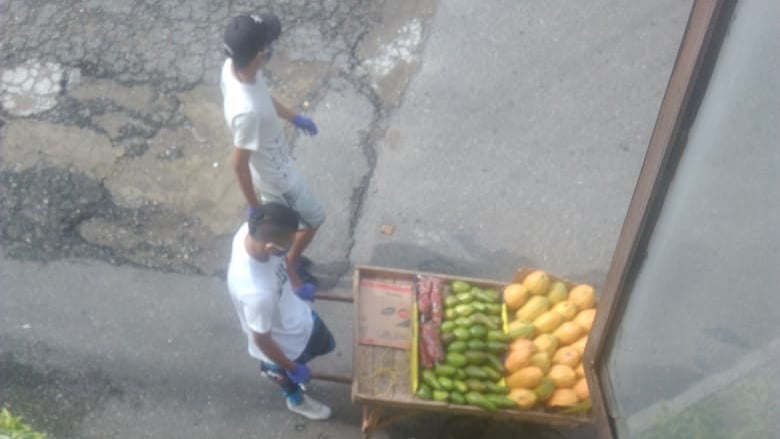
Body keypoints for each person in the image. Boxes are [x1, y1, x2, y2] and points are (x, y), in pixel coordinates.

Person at [221, 13, 324, 289]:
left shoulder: (234, 68)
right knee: (314, 219)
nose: (270, 47)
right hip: (280, 177)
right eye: (266, 43)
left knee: (290, 222)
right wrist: (254, 206)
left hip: (273, 166)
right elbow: (238, 164)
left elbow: (264, 97)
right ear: (259, 54)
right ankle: (289, 263)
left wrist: (293, 117)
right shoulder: (248, 113)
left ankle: (285, 255)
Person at [227, 202, 336, 420]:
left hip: (296, 316)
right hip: (281, 343)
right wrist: (291, 367)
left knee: (324, 344)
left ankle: (290, 372)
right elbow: (262, 340)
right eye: (287, 244)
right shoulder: (257, 294)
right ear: (270, 246)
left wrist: (296, 283)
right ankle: (296, 401)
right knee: (286, 377)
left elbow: (282, 259)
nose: (290, 248)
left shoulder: (248, 233)